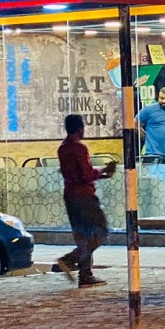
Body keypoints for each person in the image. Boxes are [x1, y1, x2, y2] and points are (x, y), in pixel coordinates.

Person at [55, 114, 116, 288]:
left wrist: (101, 175)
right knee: (100, 232)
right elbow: (86, 175)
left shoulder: (62, 148)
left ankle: (85, 275)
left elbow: (76, 175)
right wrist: (103, 170)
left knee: (83, 236)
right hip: (84, 197)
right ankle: (70, 259)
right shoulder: (79, 148)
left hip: (70, 195)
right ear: (81, 129)